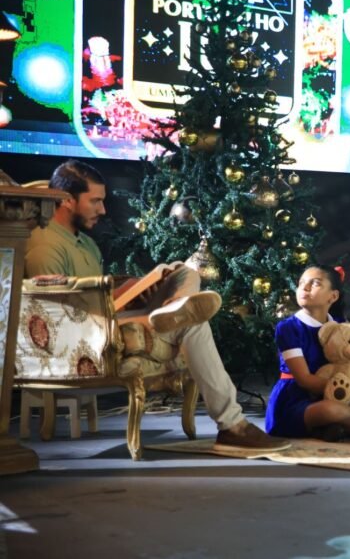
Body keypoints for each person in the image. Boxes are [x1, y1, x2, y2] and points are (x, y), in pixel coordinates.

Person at [24, 159, 291, 453]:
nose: (103, 209)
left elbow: (97, 292)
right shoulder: (44, 243)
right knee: (192, 323)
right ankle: (233, 425)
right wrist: (120, 295)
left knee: (185, 270)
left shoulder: (85, 243)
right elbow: (56, 313)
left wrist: (140, 287)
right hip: (89, 332)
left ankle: (174, 306)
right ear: (65, 200)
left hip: (110, 314)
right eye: (95, 201)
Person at [265, 265, 350, 441]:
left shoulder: (341, 325)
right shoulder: (288, 328)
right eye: (301, 283)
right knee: (330, 410)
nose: (304, 288)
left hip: (342, 393)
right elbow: (304, 379)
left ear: (333, 296)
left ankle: (331, 429)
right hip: (296, 398)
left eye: (314, 284)